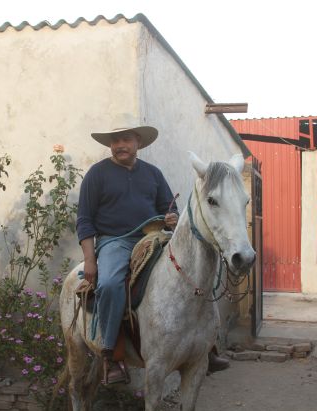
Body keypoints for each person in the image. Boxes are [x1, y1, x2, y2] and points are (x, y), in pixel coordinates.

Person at [76, 125, 229, 384]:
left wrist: (171, 218)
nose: (120, 145)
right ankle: (110, 356)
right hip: (115, 242)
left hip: (154, 237)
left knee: (195, 269)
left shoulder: (153, 174)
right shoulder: (97, 174)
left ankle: (206, 347)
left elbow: (169, 209)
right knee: (111, 284)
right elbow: (84, 220)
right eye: (115, 141)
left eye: (126, 140)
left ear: (138, 143)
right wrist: (90, 259)